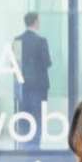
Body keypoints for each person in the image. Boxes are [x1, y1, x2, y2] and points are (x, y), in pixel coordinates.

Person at [12, 14, 54, 148]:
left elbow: (14, 64)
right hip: (38, 86)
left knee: (24, 114)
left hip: (23, 86)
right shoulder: (41, 41)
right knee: (37, 116)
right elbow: (47, 62)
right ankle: (35, 144)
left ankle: (24, 142)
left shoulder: (17, 40)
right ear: (35, 22)